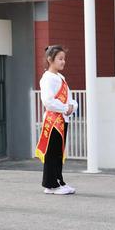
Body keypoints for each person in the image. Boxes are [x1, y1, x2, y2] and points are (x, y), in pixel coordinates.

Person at [35, 45, 77, 195]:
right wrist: (66, 107)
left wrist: (72, 105)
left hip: (62, 119)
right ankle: (50, 184)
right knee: (52, 153)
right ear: (50, 60)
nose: (63, 61)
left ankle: (58, 180)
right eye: (60, 58)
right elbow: (48, 101)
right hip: (53, 121)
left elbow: (70, 98)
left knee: (58, 153)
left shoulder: (61, 78)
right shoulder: (47, 78)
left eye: (64, 58)